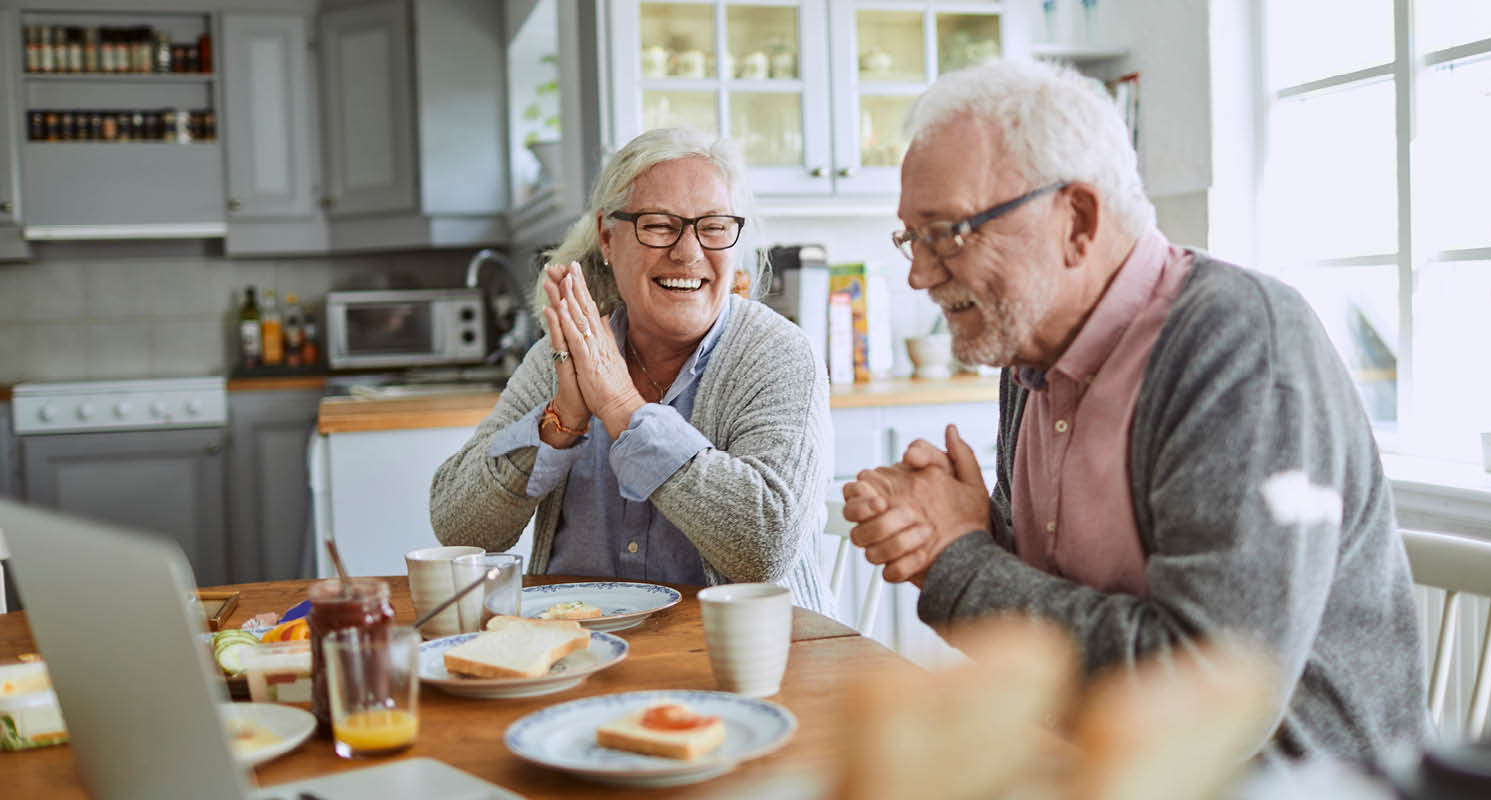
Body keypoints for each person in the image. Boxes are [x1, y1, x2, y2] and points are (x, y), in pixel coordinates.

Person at [841, 60, 1426, 760]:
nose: (920, 273)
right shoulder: (1030, 352)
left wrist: (960, 556)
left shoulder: (1237, 343)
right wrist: (969, 527)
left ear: (1077, 220)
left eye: (948, 233)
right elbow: (1062, 598)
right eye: (913, 237)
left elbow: (1205, 690)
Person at [431, 127, 832, 614]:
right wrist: (560, 422)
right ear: (607, 236)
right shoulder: (564, 354)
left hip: (741, 665)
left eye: (713, 226)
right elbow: (458, 529)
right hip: (578, 655)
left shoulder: (777, 354)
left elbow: (764, 547)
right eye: (660, 225)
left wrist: (623, 409)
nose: (688, 252)